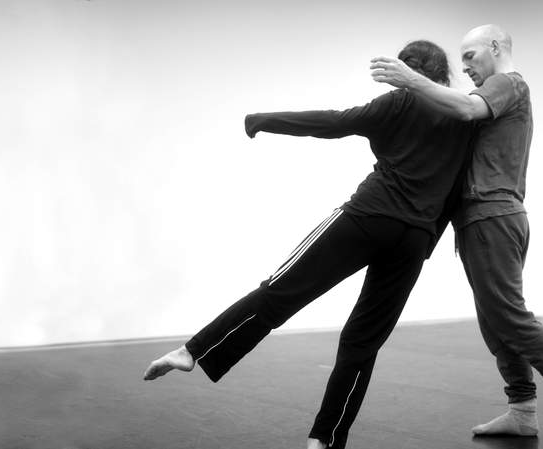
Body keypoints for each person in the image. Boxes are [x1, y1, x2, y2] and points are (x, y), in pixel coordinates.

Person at [143, 40, 474, 449]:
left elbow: (332, 123)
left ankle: (194, 352)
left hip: (366, 218)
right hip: (413, 238)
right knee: (362, 343)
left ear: (409, 73)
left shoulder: (401, 103)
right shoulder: (466, 118)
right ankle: (326, 440)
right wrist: (428, 242)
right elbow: (456, 191)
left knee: (279, 292)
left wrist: (265, 118)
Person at [370, 24, 543, 441]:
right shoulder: (495, 95)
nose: (466, 68)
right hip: (482, 219)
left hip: (492, 215)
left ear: (495, 47)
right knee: (495, 323)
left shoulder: (508, 84)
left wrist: (410, 79)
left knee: (508, 316)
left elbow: (464, 108)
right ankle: (522, 410)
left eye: (471, 57)